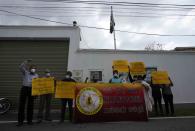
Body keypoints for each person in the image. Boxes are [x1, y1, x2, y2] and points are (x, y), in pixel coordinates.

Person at [17, 59, 39, 126]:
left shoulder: (36, 75)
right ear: (30, 69)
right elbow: (20, 67)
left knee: (30, 105)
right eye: (32, 68)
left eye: (34, 68)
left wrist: (36, 93)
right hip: (24, 88)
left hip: (32, 90)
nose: (33, 69)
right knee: (22, 105)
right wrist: (26, 62)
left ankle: (29, 120)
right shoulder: (25, 73)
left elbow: (37, 84)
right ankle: (20, 121)